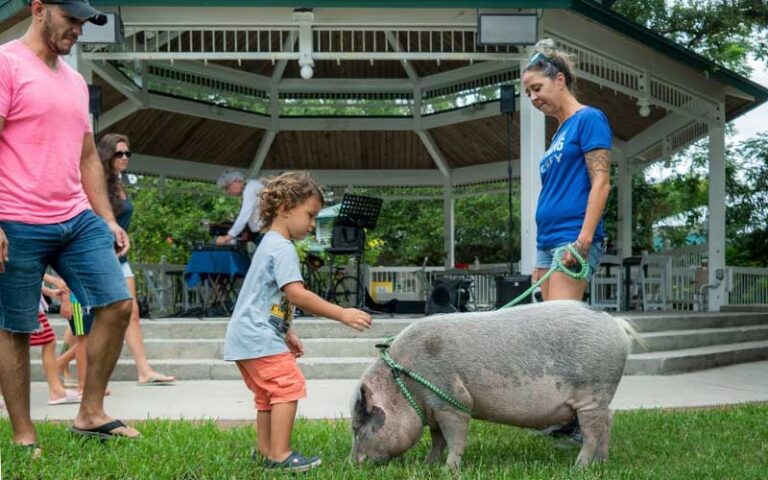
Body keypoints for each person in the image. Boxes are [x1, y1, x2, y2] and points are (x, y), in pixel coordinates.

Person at [0, 0, 140, 453]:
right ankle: (24, 434)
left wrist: (105, 218)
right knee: (16, 328)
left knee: (118, 305)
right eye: (71, 19)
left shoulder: (75, 82)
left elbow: (85, 157)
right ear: (38, 8)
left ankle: (90, 412)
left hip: (75, 217)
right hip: (15, 216)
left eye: (83, 22)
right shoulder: (5, 64)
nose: (78, 29)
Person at [223, 171, 372, 472]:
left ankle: (266, 450)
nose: (313, 224)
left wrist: (287, 332)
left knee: (267, 395)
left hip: (247, 336)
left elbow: (271, 298)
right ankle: (280, 454)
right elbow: (296, 294)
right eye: (311, 215)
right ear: (285, 208)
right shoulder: (282, 248)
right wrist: (342, 313)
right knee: (288, 386)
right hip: (257, 336)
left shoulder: (268, 243)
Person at [521, 39, 613, 444]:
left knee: (562, 333)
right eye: (527, 92)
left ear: (560, 80)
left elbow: (601, 181)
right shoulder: (558, 133)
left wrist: (584, 239)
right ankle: (566, 417)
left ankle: (584, 421)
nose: (532, 97)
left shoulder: (589, 119)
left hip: (572, 239)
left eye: (537, 88)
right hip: (548, 242)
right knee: (547, 334)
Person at [98, 133, 175, 385]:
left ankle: (144, 370)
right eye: (118, 153)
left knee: (132, 311)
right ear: (107, 155)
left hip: (120, 256)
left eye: (127, 153)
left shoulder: (120, 182)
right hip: (99, 256)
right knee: (88, 318)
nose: (124, 158)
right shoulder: (96, 182)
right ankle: (63, 363)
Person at [32, 275, 81, 405]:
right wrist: (54, 281)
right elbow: (27, 268)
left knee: (48, 341)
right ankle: (56, 391)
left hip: (27, 299)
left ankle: (56, 390)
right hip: (24, 302)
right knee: (48, 341)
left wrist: (50, 292)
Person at [215, 170, 264, 246]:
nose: (227, 192)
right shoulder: (249, 187)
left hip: (265, 232)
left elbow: (244, 214)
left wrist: (228, 237)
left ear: (236, 181)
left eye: (227, 188)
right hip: (261, 232)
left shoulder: (250, 187)